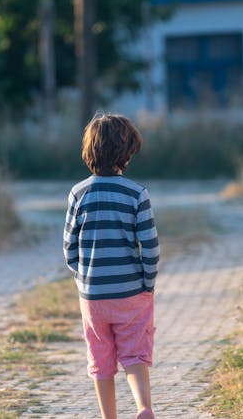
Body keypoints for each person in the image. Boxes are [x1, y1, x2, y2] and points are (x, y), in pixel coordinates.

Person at [63, 113, 159, 419]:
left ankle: (109, 417)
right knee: (134, 353)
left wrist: (83, 279)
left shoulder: (78, 193)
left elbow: (69, 247)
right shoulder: (136, 193)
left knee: (100, 358)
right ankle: (143, 407)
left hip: (93, 296)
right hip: (131, 291)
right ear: (128, 150)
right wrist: (147, 282)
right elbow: (151, 247)